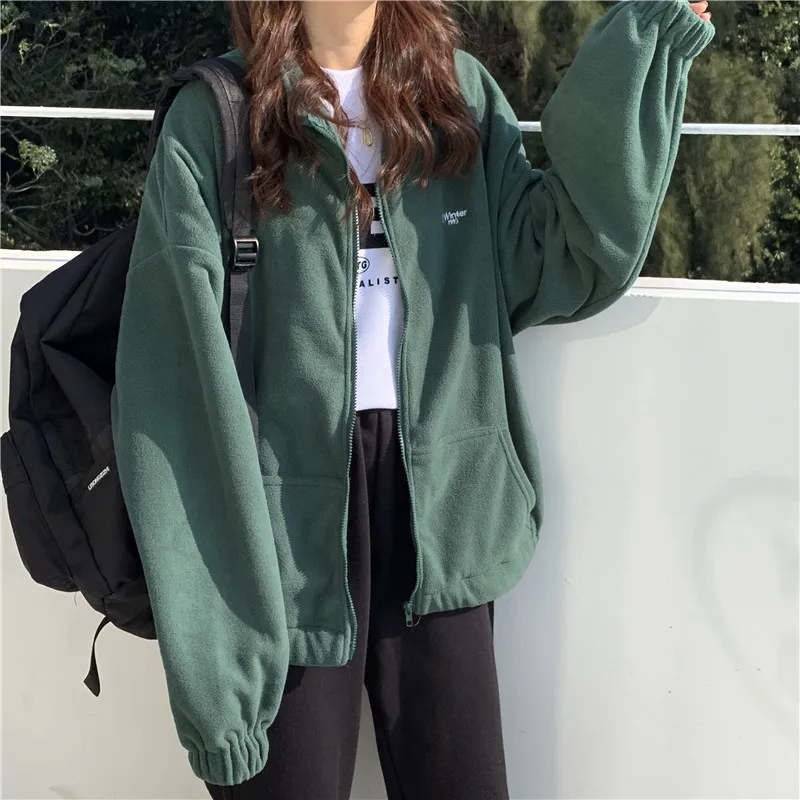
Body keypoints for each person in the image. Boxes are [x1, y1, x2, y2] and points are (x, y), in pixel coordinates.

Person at [111, 1, 714, 797]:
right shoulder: (218, 112)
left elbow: (557, 255)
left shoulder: (455, 92)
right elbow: (172, 384)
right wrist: (216, 682)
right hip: (281, 525)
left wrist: (641, 46)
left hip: (444, 507)